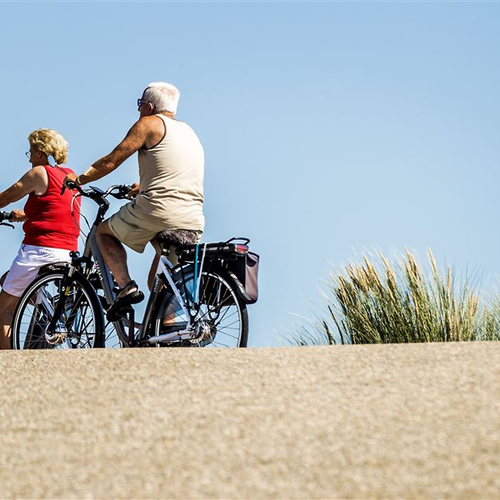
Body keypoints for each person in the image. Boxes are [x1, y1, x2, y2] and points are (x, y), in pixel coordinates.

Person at [64, 82, 205, 321]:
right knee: (160, 287)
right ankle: (167, 335)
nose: (138, 110)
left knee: (103, 233)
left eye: (139, 105)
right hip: (192, 217)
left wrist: (79, 179)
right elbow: (175, 174)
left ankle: (126, 286)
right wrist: (141, 189)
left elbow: (112, 160)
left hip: (158, 210)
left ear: (148, 106)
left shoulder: (149, 123)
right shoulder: (189, 132)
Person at [0, 128, 81, 349]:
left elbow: (7, 196)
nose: (30, 159)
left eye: (31, 152)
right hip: (67, 250)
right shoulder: (70, 175)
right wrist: (24, 215)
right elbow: (56, 209)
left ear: (41, 152)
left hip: (39, 249)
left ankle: (8, 362)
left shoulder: (38, 173)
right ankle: (48, 310)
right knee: (7, 279)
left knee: (4, 308)